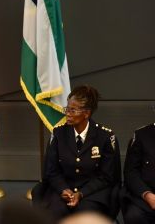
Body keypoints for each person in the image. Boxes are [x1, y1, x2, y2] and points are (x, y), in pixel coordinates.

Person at [43, 85, 117, 220]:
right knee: (55, 213)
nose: (67, 113)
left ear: (86, 113)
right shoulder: (58, 133)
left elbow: (106, 176)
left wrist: (82, 193)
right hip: (63, 189)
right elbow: (52, 170)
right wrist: (63, 189)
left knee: (85, 216)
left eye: (73, 110)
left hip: (92, 193)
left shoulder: (105, 137)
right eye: (67, 109)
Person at [122, 122, 155, 224]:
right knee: (134, 216)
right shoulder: (142, 134)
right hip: (146, 197)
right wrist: (147, 195)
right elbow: (131, 172)